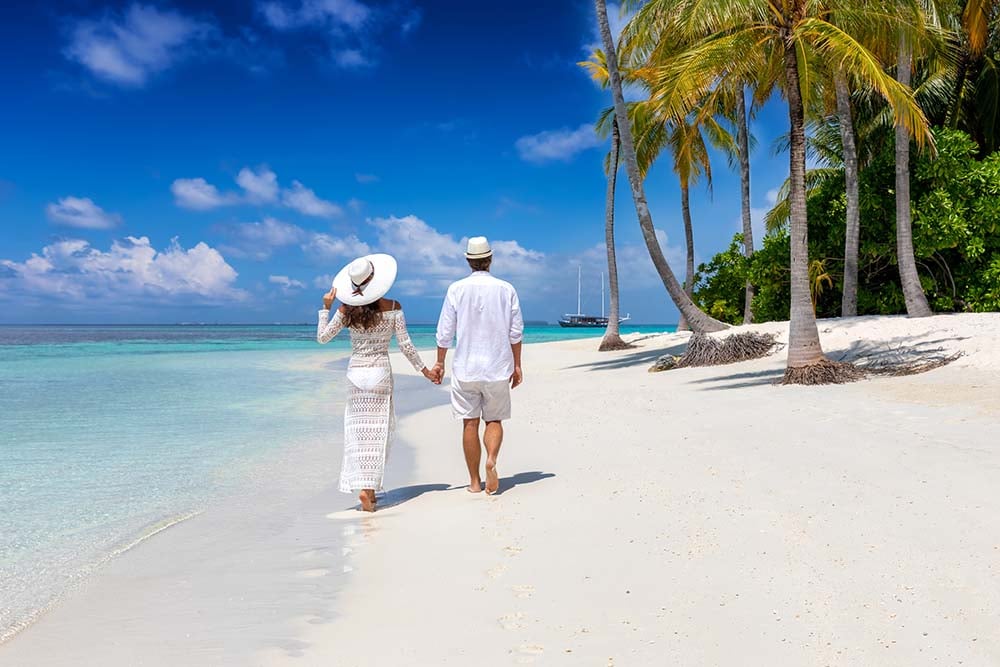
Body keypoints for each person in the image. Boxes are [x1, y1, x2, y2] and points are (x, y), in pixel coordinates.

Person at [317, 253, 439, 512]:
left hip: (355, 376)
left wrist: (325, 308)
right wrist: (426, 371)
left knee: (357, 435)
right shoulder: (393, 306)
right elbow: (405, 346)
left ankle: (366, 490)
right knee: (378, 434)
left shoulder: (345, 309)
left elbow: (323, 338)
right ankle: (368, 491)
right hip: (380, 374)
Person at [434, 237, 524, 495]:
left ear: (468, 261)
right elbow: (515, 332)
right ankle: (492, 459)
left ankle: (474, 482)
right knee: (494, 419)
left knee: (469, 423)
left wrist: (440, 362)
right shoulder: (506, 289)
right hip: (497, 366)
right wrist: (517, 365)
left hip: (465, 368)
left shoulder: (456, 289)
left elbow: (445, 332)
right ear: (490, 259)